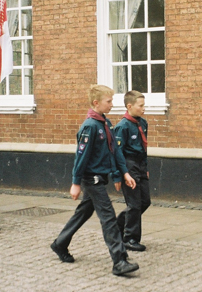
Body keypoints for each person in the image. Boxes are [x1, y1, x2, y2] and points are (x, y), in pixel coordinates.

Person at [50, 85, 140, 276]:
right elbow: (81, 157)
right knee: (109, 218)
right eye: (109, 101)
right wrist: (75, 183)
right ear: (96, 102)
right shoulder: (90, 126)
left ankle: (60, 243)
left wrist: (124, 173)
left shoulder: (105, 123)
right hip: (91, 180)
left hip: (101, 177)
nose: (112, 104)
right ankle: (119, 261)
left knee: (83, 213)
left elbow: (115, 151)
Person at [115, 90, 151, 251]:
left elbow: (144, 148)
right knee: (134, 204)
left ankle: (118, 225)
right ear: (129, 106)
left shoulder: (143, 123)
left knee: (145, 201)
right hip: (128, 165)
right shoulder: (122, 127)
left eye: (144, 105)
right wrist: (122, 174)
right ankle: (130, 238)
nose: (143, 108)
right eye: (140, 106)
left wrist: (145, 167)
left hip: (140, 165)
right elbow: (117, 153)